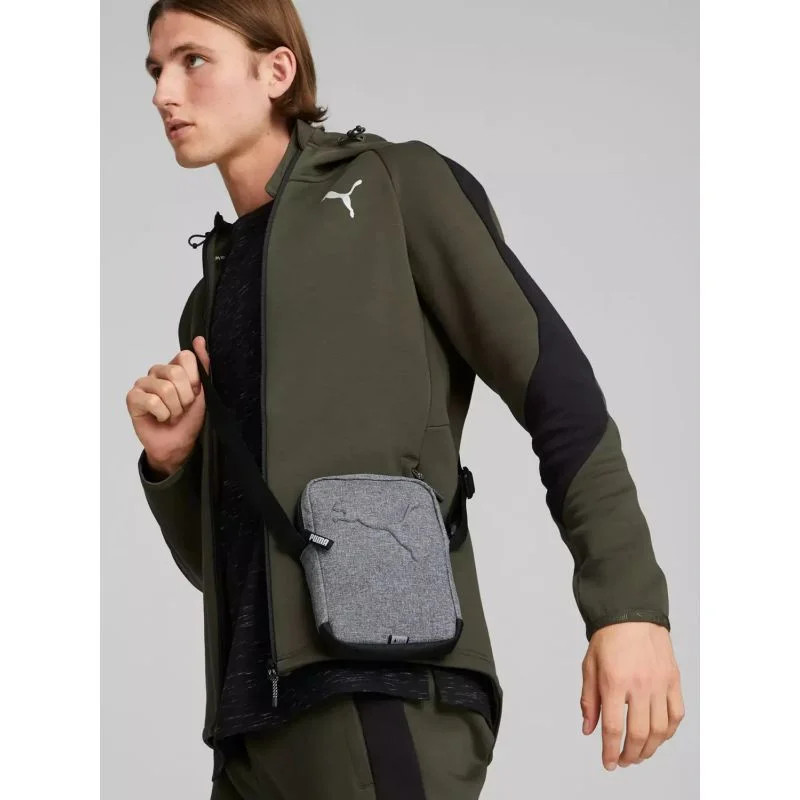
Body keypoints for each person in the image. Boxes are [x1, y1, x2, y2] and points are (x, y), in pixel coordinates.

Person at [127, 2, 685, 798]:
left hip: (384, 691)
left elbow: (557, 393)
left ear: (276, 70)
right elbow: (228, 567)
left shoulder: (393, 188)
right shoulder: (206, 300)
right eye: (156, 70)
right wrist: (172, 464)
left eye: (192, 60)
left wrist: (627, 608)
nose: (163, 93)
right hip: (250, 734)